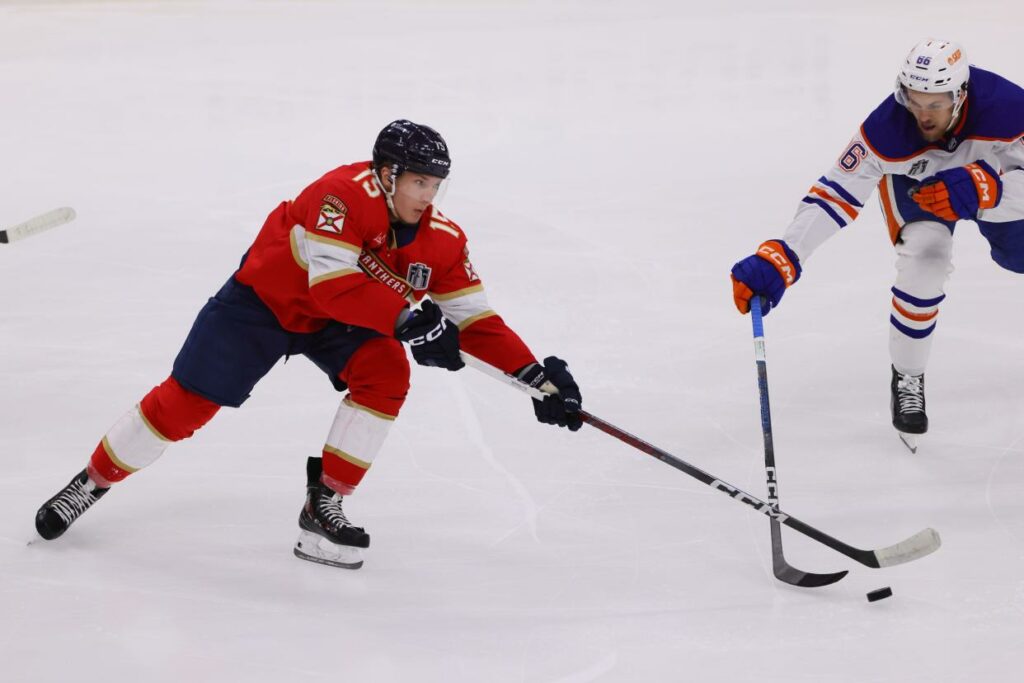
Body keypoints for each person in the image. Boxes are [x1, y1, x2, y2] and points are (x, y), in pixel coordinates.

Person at [34, 119, 584, 569]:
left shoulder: (444, 239)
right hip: (263, 306)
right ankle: (92, 481)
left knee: (387, 376)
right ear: (387, 175)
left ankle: (325, 504)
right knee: (186, 403)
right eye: (419, 182)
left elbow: (476, 319)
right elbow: (335, 286)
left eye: (436, 185)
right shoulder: (339, 196)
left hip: (342, 323)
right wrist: (409, 320)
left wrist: (534, 377)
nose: (429, 196)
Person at [730, 39, 1024, 451]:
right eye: (915, 101)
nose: (923, 115)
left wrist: (988, 188)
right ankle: (908, 374)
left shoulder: (1010, 107)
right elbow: (834, 194)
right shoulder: (886, 128)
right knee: (926, 260)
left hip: (995, 183)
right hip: (921, 190)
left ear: (961, 95)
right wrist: (784, 253)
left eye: (935, 104)